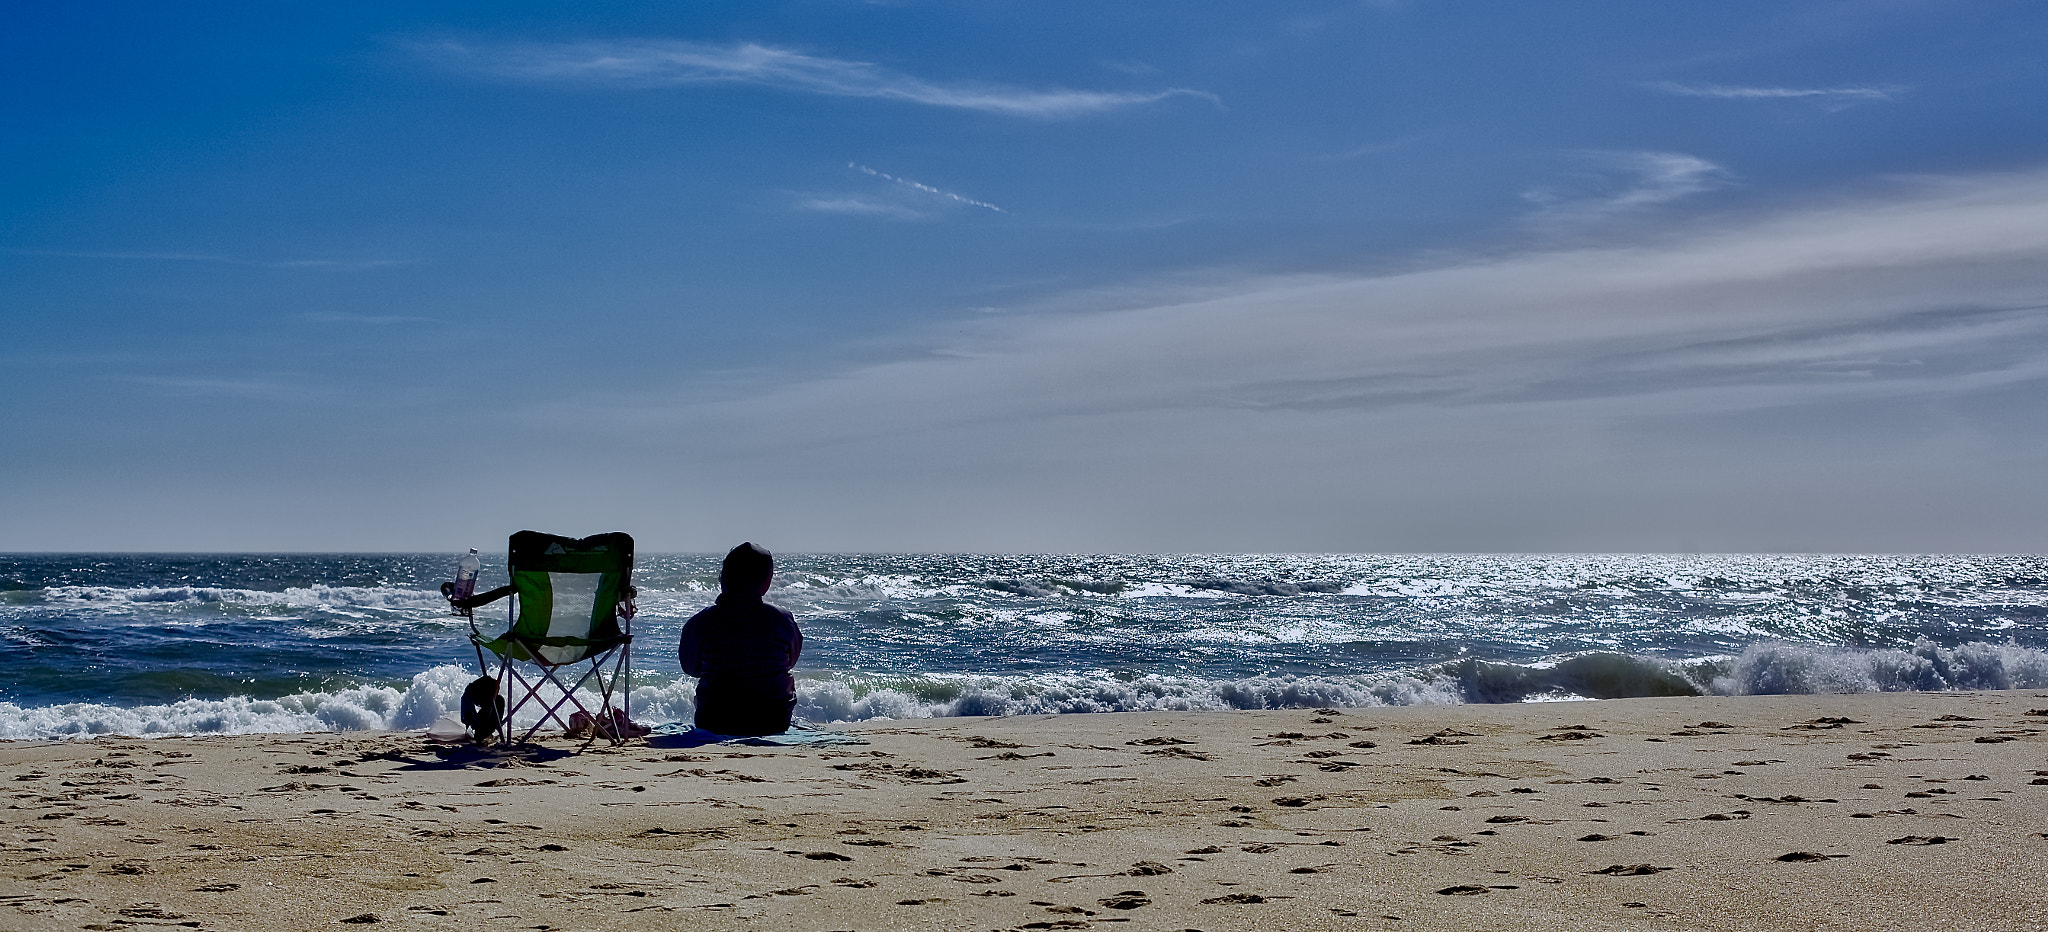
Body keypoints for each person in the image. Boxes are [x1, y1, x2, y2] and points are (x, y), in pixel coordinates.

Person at [678, 542, 803, 736]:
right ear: (766, 582)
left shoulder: (699, 623)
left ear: (724, 577)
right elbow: (790, 660)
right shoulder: (782, 619)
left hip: (715, 720)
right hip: (774, 720)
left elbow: (691, 669)